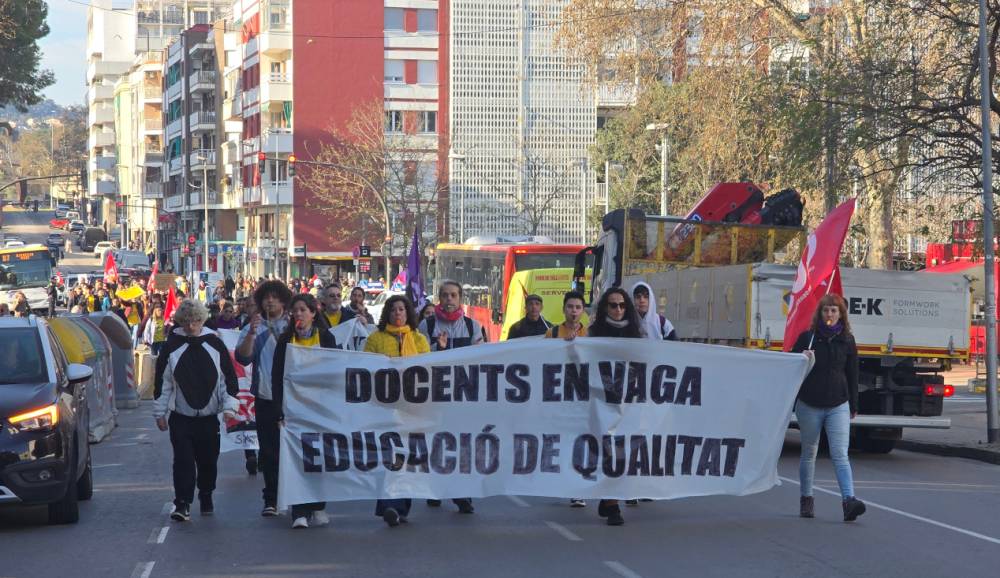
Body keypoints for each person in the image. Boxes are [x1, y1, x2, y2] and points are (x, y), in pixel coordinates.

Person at [153, 299, 240, 522]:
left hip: (209, 417)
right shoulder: (172, 346)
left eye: (196, 321)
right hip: (181, 417)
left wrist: (230, 407)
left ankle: (206, 492)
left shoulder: (214, 343)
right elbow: (163, 383)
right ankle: (182, 502)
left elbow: (227, 379)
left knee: (208, 460)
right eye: (188, 321)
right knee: (182, 460)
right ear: (181, 322)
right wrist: (160, 413)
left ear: (202, 320)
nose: (192, 326)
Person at [791, 294, 866, 522]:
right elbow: (790, 368)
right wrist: (801, 358)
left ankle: (848, 501)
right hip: (810, 403)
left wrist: (853, 403)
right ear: (820, 314)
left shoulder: (847, 340)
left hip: (838, 403)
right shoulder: (808, 338)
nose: (830, 315)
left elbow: (853, 374)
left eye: (834, 311)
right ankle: (806, 499)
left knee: (840, 453)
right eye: (826, 311)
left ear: (841, 314)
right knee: (809, 453)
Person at [365, 295, 431, 527]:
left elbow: (428, 370)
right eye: (393, 310)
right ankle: (388, 506)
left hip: (412, 408)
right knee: (389, 456)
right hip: (384, 408)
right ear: (387, 313)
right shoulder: (376, 339)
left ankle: (401, 506)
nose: (397, 314)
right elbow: (366, 369)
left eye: (402, 309)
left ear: (408, 313)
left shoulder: (419, 339)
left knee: (407, 456)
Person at [270, 294, 335, 528]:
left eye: (303, 310)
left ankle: (318, 507)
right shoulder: (285, 340)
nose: (298, 314)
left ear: (313, 313)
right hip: (294, 409)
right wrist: (279, 412)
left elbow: (335, 373)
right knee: (297, 459)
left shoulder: (326, 338)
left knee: (320, 458)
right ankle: (299, 510)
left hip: (321, 410)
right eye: (295, 311)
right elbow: (276, 378)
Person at [418, 280, 482, 514]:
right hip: (435, 394)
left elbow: (481, 357)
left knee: (461, 444)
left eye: (453, 295)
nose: (449, 299)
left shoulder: (472, 325)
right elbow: (420, 357)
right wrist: (439, 349)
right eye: (444, 295)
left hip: (463, 395)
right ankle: (435, 489)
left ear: (460, 298)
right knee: (435, 443)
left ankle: (460, 493)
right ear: (439, 298)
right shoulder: (427, 324)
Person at [587, 287, 643, 526]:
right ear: (605, 308)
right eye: (612, 305)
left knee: (624, 449)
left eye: (621, 305)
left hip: (628, 401)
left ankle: (609, 499)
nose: (618, 310)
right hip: (601, 401)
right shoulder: (594, 333)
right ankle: (611, 503)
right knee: (608, 448)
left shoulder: (635, 334)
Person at [236, 280, 293, 514]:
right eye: (266, 297)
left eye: (275, 297)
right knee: (268, 451)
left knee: (291, 450)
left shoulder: (294, 325)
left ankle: (294, 496)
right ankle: (270, 498)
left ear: (283, 300)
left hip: (294, 399)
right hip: (266, 396)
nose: (270, 301)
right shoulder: (254, 327)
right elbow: (243, 358)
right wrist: (251, 332)